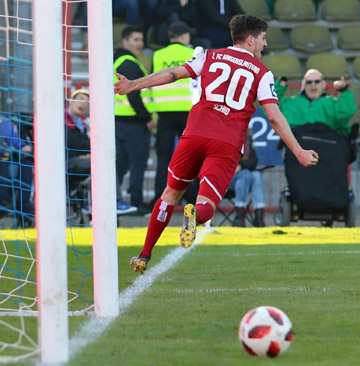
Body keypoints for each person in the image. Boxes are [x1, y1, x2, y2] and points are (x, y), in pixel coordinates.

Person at [115, 14, 319, 273]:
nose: (265, 44)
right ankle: (194, 215)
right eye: (263, 38)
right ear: (250, 39)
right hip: (226, 141)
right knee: (206, 206)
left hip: (195, 134)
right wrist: (298, 151)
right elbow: (275, 118)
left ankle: (144, 254)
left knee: (170, 193)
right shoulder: (262, 73)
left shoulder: (208, 55)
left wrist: (134, 84)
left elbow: (172, 73)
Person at [150, 21, 198, 208]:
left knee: (163, 157)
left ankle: (160, 198)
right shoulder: (192, 54)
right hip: (188, 112)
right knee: (190, 157)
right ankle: (191, 197)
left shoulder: (158, 55)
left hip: (164, 112)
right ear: (183, 36)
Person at [113, 26, 154, 215]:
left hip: (119, 121)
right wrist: (146, 118)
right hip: (133, 122)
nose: (140, 43)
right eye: (136, 39)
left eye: (141, 39)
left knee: (120, 164)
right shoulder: (129, 63)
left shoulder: (117, 60)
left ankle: (115, 200)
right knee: (137, 163)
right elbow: (133, 95)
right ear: (125, 42)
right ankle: (136, 202)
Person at [276, 69, 356, 136]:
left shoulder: (332, 103)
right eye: (309, 82)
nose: (313, 84)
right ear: (304, 85)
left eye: (317, 81)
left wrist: (344, 90)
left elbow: (346, 113)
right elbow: (270, 107)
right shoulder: (291, 103)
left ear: (323, 84)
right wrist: (280, 86)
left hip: (328, 147)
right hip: (298, 147)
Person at [0, 116, 33, 225]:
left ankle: (23, 204)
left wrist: (23, 146)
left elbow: (14, 140)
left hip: (7, 157)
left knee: (26, 164)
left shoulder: (3, 121)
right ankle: (2, 201)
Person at [64, 89, 92, 214]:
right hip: (65, 161)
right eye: (80, 99)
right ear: (70, 100)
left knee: (104, 163)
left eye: (87, 102)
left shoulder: (82, 124)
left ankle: (88, 203)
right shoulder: (61, 120)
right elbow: (71, 143)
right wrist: (83, 155)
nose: (84, 104)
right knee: (99, 164)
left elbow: (85, 144)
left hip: (78, 161)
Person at [229, 132, 265, 227]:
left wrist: (241, 165)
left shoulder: (248, 146)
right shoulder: (226, 143)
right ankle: (239, 216)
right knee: (246, 174)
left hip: (244, 180)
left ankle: (259, 217)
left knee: (256, 175)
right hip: (225, 183)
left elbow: (253, 162)